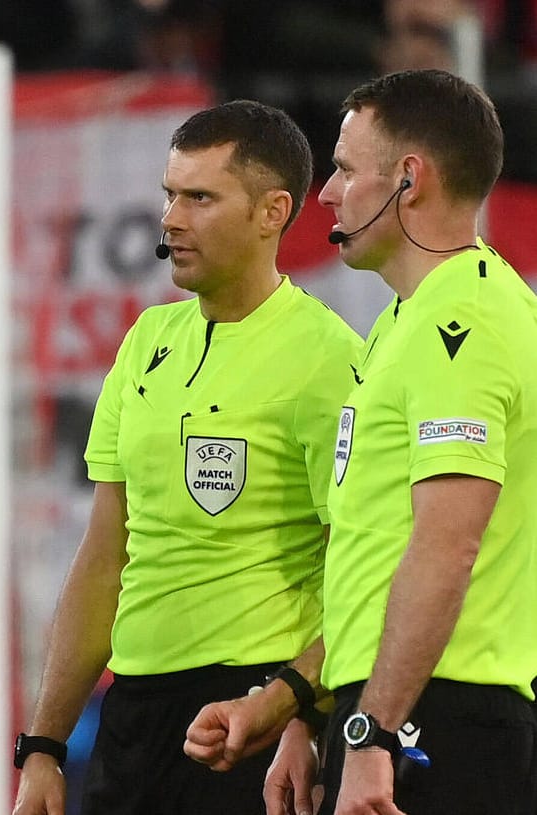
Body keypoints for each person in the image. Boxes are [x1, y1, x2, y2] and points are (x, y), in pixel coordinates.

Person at [183, 68, 537, 815]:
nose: (327, 193)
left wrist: (372, 734)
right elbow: (373, 556)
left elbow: (447, 547)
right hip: (397, 710)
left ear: (409, 179)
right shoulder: (404, 323)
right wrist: (309, 711)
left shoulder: (462, 327)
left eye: (344, 168)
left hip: (443, 716)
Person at [11, 100, 362, 815]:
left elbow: (361, 570)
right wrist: (44, 746)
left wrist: (303, 711)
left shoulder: (329, 360)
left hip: (250, 715)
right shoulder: (146, 341)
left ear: (273, 211)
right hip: (133, 715)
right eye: (169, 194)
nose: (170, 219)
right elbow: (104, 555)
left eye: (199, 197)